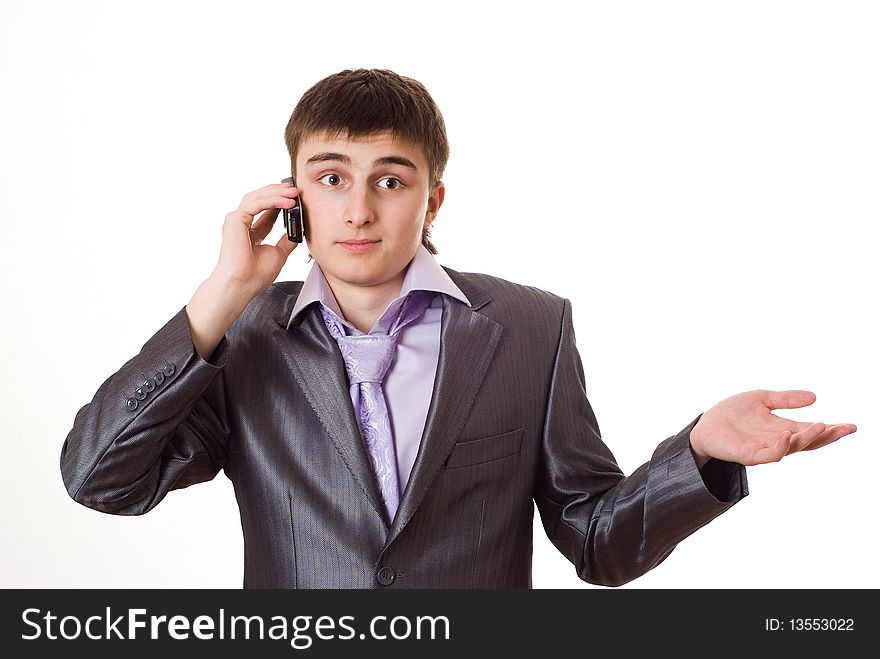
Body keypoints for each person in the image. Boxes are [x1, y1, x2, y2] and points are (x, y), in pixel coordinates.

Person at [59, 68, 857, 589]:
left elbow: (597, 541)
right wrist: (223, 291)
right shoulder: (243, 338)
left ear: (432, 200)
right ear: (293, 197)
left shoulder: (530, 328)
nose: (360, 208)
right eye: (331, 178)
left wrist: (699, 455)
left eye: (391, 180)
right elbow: (100, 480)